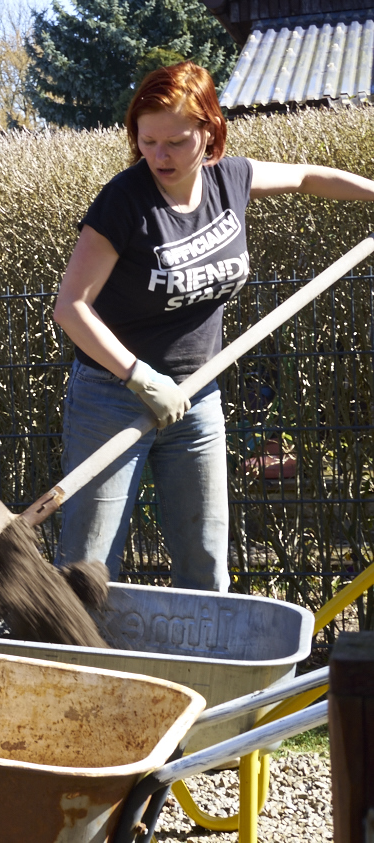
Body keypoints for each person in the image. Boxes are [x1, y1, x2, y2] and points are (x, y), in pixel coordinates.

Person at [52, 61, 374, 592]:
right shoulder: (124, 202)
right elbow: (71, 308)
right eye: (148, 140)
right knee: (90, 563)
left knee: (205, 561)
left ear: (210, 131)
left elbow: (307, 176)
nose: (159, 156)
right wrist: (139, 377)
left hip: (197, 394)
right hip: (112, 397)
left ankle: (203, 673)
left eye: (176, 141)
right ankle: (77, 664)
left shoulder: (231, 180)